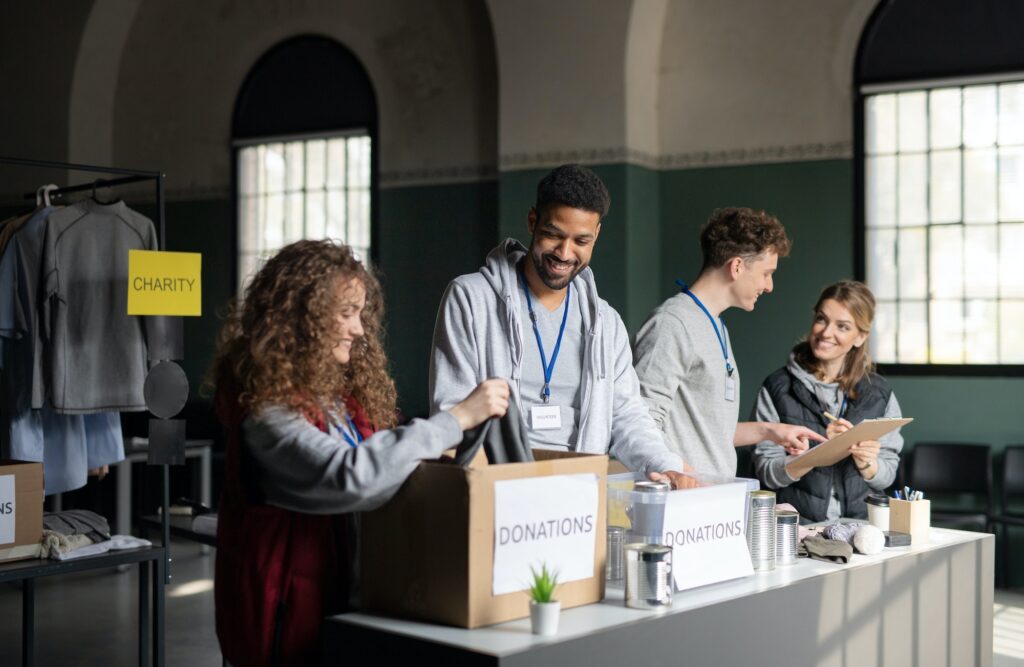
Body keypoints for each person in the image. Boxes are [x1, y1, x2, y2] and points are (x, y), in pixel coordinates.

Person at [211, 239, 509, 666]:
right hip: (282, 627)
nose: (359, 329)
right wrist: (456, 419)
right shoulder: (265, 414)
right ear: (301, 319)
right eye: (345, 313)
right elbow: (351, 476)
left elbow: (382, 470)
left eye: (360, 314)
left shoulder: (342, 399)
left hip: (342, 613)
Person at [429, 163, 689, 486]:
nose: (565, 253)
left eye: (581, 240)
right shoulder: (470, 299)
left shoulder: (606, 325)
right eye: (553, 235)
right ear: (532, 221)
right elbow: (452, 412)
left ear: (597, 235)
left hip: (578, 501)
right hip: (496, 494)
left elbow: (627, 416)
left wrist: (665, 463)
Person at [634, 207, 824, 478]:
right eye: (766, 273)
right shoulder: (672, 323)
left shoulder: (716, 326)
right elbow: (642, 419)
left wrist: (771, 431)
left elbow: (708, 432)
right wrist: (677, 473)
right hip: (682, 501)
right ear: (736, 267)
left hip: (714, 504)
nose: (769, 286)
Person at [751, 280, 904, 522]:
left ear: (860, 337)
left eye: (842, 327)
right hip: (797, 527)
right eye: (822, 319)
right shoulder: (777, 387)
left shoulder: (880, 393)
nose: (826, 333)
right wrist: (819, 453)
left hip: (862, 526)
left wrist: (866, 462)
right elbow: (767, 473)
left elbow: (886, 476)